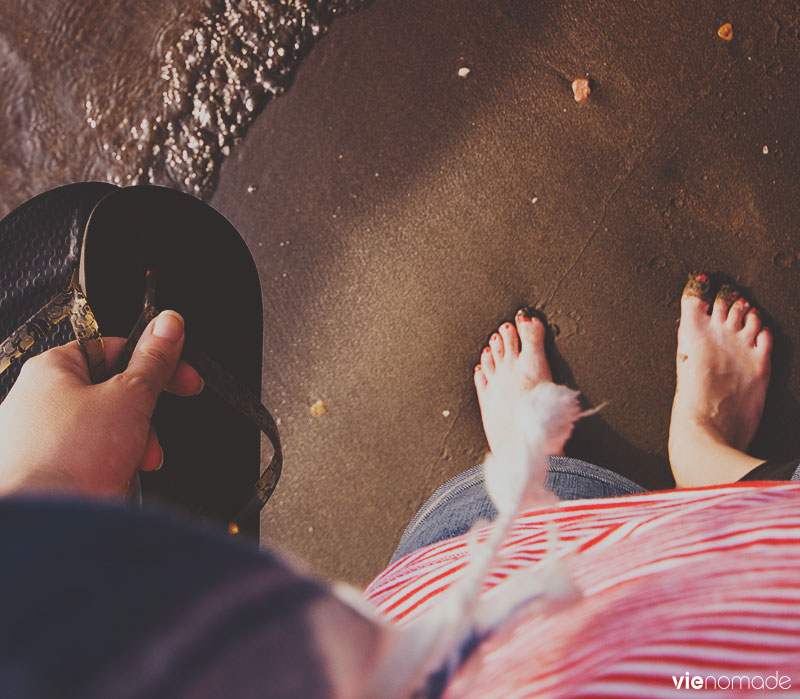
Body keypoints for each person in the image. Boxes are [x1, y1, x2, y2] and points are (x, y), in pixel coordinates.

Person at [1, 278, 800, 698]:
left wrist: (46, 486)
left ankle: (694, 480)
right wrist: (39, 492)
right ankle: (707, 459)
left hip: (453, 610)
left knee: (488, 515)